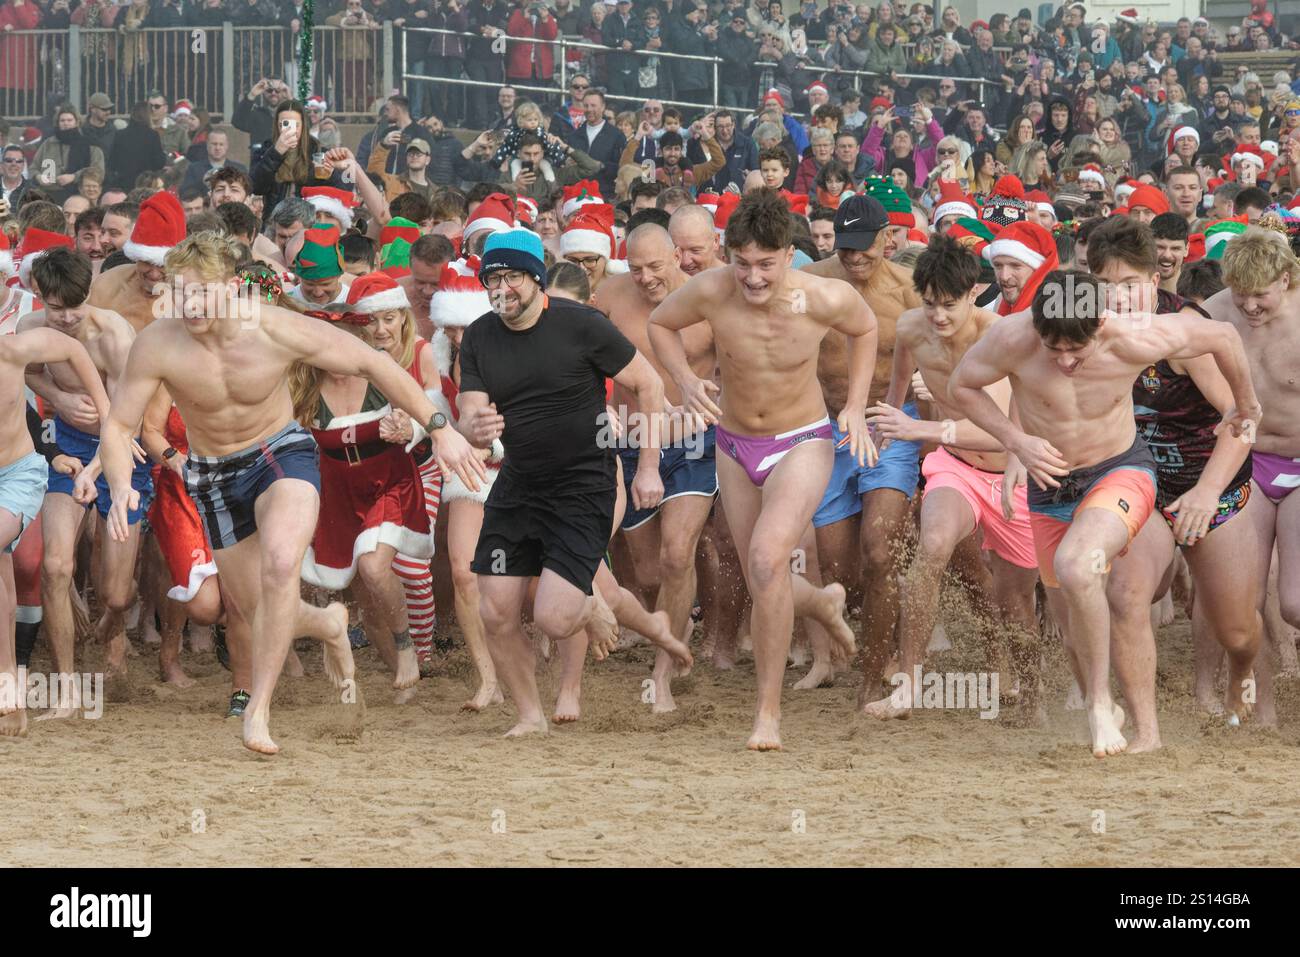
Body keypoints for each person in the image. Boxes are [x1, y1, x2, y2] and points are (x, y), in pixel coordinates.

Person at [98, 231, 485, 755]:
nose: (190, 305)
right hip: (213, 473)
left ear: (233, 287)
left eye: (201, 292)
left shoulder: (274, 328)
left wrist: (438, 427)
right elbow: (119, 426)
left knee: (281, 565)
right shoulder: (158, 343)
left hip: (280, 454)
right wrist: (120, 483)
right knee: (259, 609)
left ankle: (258, 710)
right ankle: (327, 621)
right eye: (180, 292)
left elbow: (373, 362)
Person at [948, 269, 1259, 757]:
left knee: (1080, 566)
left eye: (1078, 349)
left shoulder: (1133, 334)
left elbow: (1221, 334)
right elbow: (961, 385)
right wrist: (1016, 441)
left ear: (1099, 325)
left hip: (1120, 471)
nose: (1067, 361)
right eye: (1055, 350)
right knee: (1073, 624)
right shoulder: (1013, 336)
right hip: (1049, 484)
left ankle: (1106, 709)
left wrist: (1245, 404)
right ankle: (1108, 706)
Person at [648, 189, 874, 750]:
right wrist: (681, 377)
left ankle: (767, 715)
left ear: (788, 255)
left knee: (766, 558)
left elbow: (865, 328)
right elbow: (659, 323)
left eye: (765, 265)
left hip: (802, 440)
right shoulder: (712, 289)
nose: (752, 278)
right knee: (763, 576)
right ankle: (821, 599)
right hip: (733, 440)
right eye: (742, 263)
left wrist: (854, 405)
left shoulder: (822, 295)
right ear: (729, 254)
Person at [458, 228, 670, 737]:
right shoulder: (480, 336)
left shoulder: (582, 325)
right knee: (496, 610)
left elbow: (649, 384)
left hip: (584, 482)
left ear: (536, 279)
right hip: (519, 485)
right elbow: (469, 413)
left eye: (511, 278)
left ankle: (594, 601)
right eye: (492, 279)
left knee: (554, 619)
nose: (500, 288)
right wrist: (476, 429)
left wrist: (647, 466)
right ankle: (531, 715)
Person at [1086, 216, 1260, 753]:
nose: (1121, 298)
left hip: (1211, 480)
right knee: (1126, 593)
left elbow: (1241, 419)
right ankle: (1147, 731)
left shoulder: (1182, 331)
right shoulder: (1084, 328)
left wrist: (1207, 493)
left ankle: (1241, 671)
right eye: (1108, 286)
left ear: (1154, 279)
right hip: (1138, 480)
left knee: (1235, 629)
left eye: (1131, 284)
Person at [862, 235, 1041, 721]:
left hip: (1011, 474)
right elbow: (897, 389)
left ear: (973, 294)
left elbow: (1002, 431)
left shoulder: (998, 334)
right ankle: (909, 685)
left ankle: (1033, 697)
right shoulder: (911, 329)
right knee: (933, 546)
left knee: (1016, 600)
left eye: (949, 305)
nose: (939, 316)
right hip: (954, 465)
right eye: (930, 304)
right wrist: (883, 426)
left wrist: (918, 427)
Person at [800, 193, 923, 694]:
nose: (854, 258)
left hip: (889, 422)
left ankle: (880, 666)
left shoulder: (909, 289)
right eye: (845, 248)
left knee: (880, 552)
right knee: (839, 571)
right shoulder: (811, 282)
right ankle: (841, 652)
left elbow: (942, 349)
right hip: (825, 428)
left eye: (864, 248)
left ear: (887, 239)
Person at [18, 248, 146, 715]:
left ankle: (112, 634)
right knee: (55, 566)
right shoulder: (30, 329)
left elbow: (124, 418)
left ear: (88, 294)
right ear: (39, 297)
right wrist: (59, 398)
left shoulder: (114, 334)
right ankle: (67, 686)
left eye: (75, 306)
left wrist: (95, 470)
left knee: (115, 593)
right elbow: (27, 373)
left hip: (124, 446)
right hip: (66, 442)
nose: (67, 318)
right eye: (56, 308)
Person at [600, 224, 716, 712]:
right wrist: (597, 404)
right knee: (648, 575)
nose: (646, 278)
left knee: (675, 556)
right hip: (629, 441)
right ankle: (673, 629)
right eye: (635, 268)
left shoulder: (707, 299)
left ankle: (664, 668)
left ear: (676, 256)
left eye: (655, 266)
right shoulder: (608, 297)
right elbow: (582, 356)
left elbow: (737, 363)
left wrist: (714, 402)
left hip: (693, 442)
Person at [1204, 228, 1300, 728]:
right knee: (1241, 604)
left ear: (1285, 279)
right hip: (1247, 458)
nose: (1250, 306)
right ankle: (1259, 712)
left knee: (1296, 603)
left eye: (1260, 294)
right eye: (1241, 295)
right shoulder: (1214, 313)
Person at [0, 315, 110, 737]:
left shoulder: (13, 350)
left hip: (18, 475)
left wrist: (107, 414)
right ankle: (10, 689)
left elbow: (72, 349)